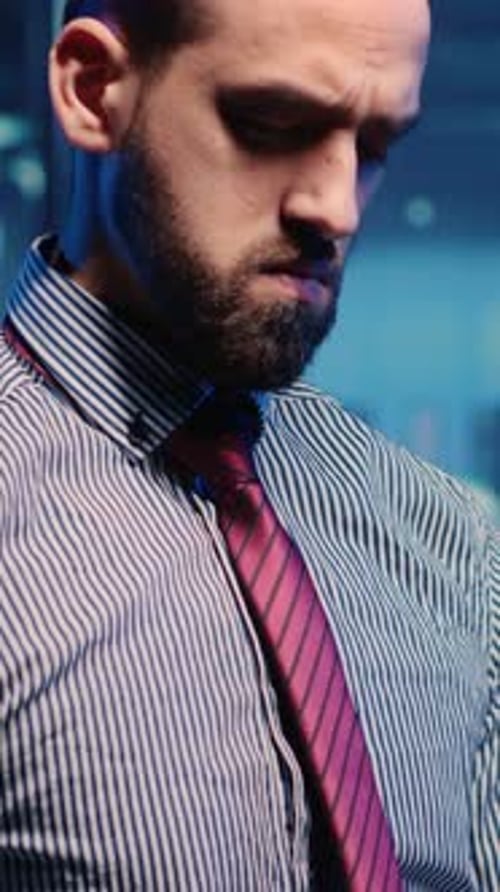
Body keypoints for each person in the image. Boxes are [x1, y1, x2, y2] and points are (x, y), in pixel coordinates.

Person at [0, 0, 498, 889]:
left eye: (375, 145)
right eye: (271, 125)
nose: (335, 207)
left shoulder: (446, 533)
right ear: (92, 88)